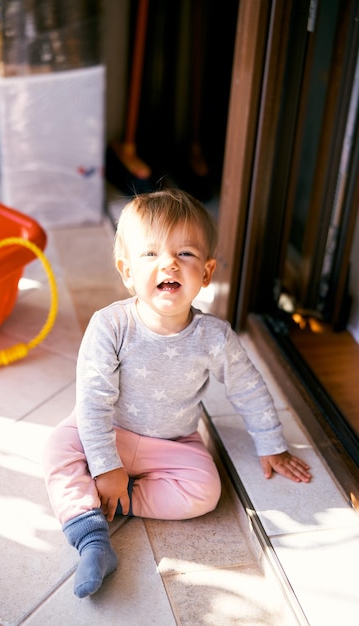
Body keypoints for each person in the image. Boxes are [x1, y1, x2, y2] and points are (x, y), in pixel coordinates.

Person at [42, 188, 311, 599]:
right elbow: (93, 401)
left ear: (206, 273)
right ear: (127, 271)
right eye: (150, 254)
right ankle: (91, 536)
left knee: (207, 490)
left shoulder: (213, 336)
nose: (169, 262)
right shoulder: (110, 325)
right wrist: (104, 463)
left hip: (172, 441)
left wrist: (271, 442)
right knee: (58, 447)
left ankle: (119, 499)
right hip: (107, 429)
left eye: (184, 254)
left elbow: (248, 387)